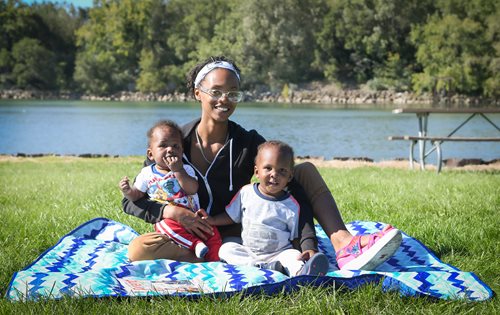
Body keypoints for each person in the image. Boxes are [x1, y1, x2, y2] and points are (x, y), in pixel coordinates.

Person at [123, 56, 402, 271]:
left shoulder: (248, 142)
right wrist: (170, 212)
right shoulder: (173, 139)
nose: (225, 99)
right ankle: (215, 260)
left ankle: (344, 244)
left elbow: (289, 190)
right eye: (216, 91)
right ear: (198, 92)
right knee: (138, 250)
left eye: (234, 93)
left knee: (303, 170)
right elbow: (131, 201)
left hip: (237, 232)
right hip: (186, 236)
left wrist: (308, 244)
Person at [201, 140, 329, 276]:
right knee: (227, 248)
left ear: (290, 176)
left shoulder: (291, 205)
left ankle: (302, 272)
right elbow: (231, 215)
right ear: (257, 171)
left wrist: (303, 252)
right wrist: (213, 220)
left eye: (282, 171)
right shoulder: (246, 193)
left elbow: (296, 236)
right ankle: (258, 266)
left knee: (293, 255)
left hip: (279, 254)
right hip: (249, 252)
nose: (274, 174)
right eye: (268, 168)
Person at [119, 120, 221, 261]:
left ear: (182, 151)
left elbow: (192, 189)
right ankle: (195, 247)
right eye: (163, 145)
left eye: (175, 146)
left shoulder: (185, 169)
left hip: (195, 217)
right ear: (150, 154)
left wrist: (178, 170)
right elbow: (136, 196)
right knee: (143, 245)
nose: (170, 150)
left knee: (212, 233)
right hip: (169, 222)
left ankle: (215, 261)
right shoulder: (147, 173)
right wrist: (127, 191)